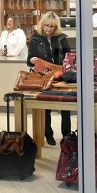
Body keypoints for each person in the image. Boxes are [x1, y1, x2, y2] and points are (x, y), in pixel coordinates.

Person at [27, 11, 71, 145]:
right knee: (46, 107)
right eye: (46, 26)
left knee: (66, 106)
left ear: (56, 27)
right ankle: (48, 134)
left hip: (61, 77)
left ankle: (67, 135)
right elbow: (29, 60)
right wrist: (32, 60)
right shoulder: (35, 39)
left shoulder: (62, 38)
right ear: (42, 25)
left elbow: (69, 56)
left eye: (51, 26)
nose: (48, 29)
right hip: (44, 77)